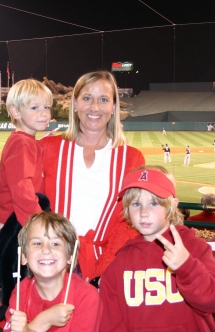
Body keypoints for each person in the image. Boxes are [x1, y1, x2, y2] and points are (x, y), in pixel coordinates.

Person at [98, 168, 215, 332]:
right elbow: (111, 329)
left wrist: (187, 268)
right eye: (136, 204)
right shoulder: (120, 263)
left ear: (173, 205)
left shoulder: (192, 248)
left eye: (154, 203)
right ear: (126, 209)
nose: (144, 212)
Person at [41, 70, 145, 282]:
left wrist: (102, 271)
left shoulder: (131, 159)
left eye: (103, 100)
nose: (94, 107)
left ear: (113, 107)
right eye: (87, 98)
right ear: (75, 103)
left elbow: (130, 223)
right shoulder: (47, 149)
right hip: (48, 265)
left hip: (105, 270)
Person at [0, 78, 53, 326]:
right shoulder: (23, 142)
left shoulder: (25, 140)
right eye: (34, 108)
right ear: (15, 112)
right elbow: (22, 189)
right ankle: (14, 320)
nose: (43, 113)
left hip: (16, 217)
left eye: (46, 107)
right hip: (15, 220)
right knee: (18, 278)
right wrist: (40, 224)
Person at [3, 211, 103, 332]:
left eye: (55, 244)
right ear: (24, 257)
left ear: (70, 256)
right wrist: (45, 319)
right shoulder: (21, 290)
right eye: (37, 243)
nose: (46, 250)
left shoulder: (87, 295)